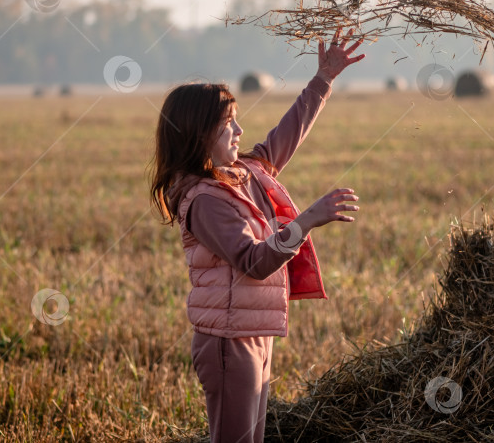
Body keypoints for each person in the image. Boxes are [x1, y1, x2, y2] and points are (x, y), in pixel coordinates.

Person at [150, 27, 365, 442]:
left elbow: (288, 133)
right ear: (200, 136)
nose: (239, 132)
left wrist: (324, 79)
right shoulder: (204, 200)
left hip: (254, 333)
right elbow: (252, 260)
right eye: (228, 124)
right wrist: (306, 221)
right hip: (228, 342)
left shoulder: (245, 172)